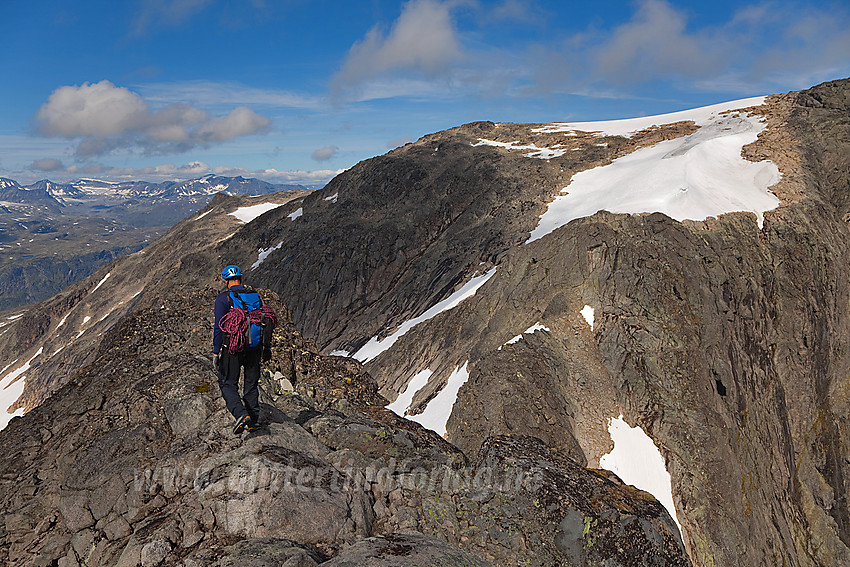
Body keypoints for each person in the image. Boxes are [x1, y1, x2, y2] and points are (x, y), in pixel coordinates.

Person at [213, 265, 267, 434]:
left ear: (225, 280)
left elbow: (219, 327)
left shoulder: (223, 299)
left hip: (233, 348)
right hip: (254, 346)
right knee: (251, 385)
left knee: (228, 383)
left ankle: (241, 414)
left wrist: (216, 352)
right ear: (241, 278)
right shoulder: (254, 296)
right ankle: (253, 421)